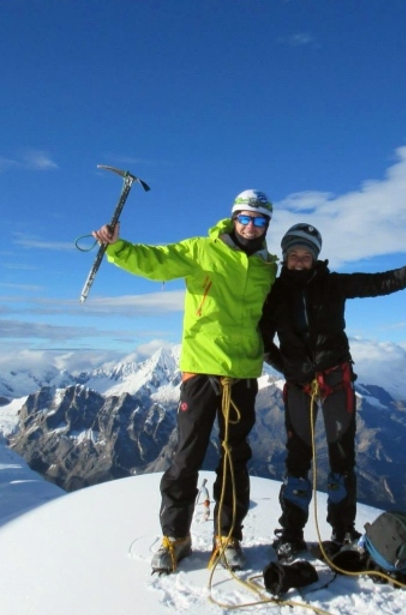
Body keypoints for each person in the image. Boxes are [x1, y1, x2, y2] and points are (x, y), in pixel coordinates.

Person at [92, 189, 277, 573]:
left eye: (259, 221)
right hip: (202, 369)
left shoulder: (267, 267)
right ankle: (175, 538)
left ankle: (228, 536)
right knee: (186, 456)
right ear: (233, 218)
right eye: (244, 218)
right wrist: (118, 247)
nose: (250, 226)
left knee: (234, 458)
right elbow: (156, 262)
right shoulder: (201, 250)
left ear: (266, 226)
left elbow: (273, 316)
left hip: (242, 373)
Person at [259, 223, 406, 560]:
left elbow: (381, 282)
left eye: (306, 255)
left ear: (315, 258)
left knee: (342, 460)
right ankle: (290, 532)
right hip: (300, 384)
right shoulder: (273, 294)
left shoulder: (333, 285)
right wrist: (285, 366)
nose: (300, 261)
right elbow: (260, 339)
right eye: (293, 256)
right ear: (285, 258)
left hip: (335, 382)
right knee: (297, 460)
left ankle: (343, 531)